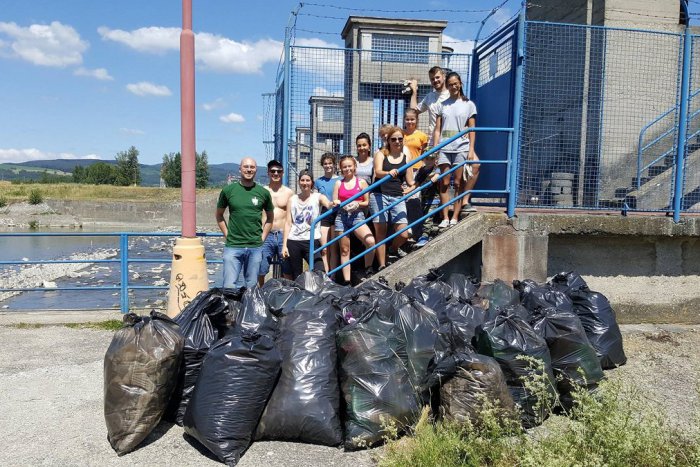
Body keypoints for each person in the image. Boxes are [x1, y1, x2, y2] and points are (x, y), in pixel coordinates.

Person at [216, 157, 274, 289]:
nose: (249, 169)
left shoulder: (263, 193)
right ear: (240, 169)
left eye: (252, 167)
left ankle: (248, 310)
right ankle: (231, 310)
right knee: (229, 286)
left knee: (252, 287)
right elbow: (219, 215)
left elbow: (270, 218)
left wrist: (262, 238)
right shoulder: (228, 191)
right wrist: (227, 235)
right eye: (246, 167)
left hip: (255, 247)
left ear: (256, 170)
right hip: (233, 246)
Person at [433, 71, 480, 228]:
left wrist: (471, 149)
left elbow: (472, 129)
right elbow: (438, 129)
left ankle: (455, 216)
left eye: (455, 83)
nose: (453, 86)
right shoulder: (443, 105)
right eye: (450, 84)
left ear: (460, 84)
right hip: (445, 147)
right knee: (444, 182)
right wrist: (436, 148)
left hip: (461, 147)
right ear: (447, 86)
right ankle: (445, 217)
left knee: (459, 182)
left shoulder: (469, 105)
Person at [372, 126, 415, 270]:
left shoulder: (406, 157)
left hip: (397, 196)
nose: (397, 141)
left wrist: (425, 179)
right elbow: (377, 172)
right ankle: (382, 265)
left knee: (403, 233)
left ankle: (393, 249)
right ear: (388, 141)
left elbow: (410, 181)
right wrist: (388, 173)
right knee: (381, 231)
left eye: (400, 139)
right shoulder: (381, 154)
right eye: (394, 139)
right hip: (379, 194)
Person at [281, 170, 336, 280]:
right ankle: (300, 295)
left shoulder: (318, 197)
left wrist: (333, 203)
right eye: (302, 180)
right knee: (297, 274)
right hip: (294, 240)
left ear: (312, 182)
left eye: (307, 180)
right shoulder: (292, 199)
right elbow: (288, 223)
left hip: (311, 240)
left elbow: (328, 204)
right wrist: (284, 245)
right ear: (299, 182)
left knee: (319, 270)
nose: (305, 183)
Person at [333, 155, 376, 285]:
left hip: (357, 216)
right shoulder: (339, 183)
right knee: (345, 250)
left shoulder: (361, 182)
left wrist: (357, 204)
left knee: (370, 241)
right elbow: (334, 201)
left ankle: (368, 267)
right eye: (344, 167)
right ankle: (347, 281)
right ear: (341, 169)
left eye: (349, 166)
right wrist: (338, 203)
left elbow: (367, 202)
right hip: (342, 216)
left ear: (354, 167)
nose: (347, 169)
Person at [258, 160, 294, 286]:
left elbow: (292, 215)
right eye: (273, 171)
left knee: (287, 268)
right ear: (268, 173)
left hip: (283, 234)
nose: (276, 173)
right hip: (266, 235)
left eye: (279, 171)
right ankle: (260, 294)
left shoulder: (289, 192)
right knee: (261, 269)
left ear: (283, 173)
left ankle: (289, 294)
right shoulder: (262, 191)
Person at [402, 109, 429, 240]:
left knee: (415, 199)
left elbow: (425, 153)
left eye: (412, 119)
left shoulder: (422, 136)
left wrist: (423, 166)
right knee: (406, 198)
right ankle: (408, 228)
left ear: (416, 120)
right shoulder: (401, 135)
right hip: (405, 170)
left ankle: (417, 230)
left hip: (417, 170)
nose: (410, 121)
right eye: (407, 119)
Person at [409, 66, 450, 146]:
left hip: (448, 138)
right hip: (432, 139)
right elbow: (413, 112)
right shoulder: (429, 97)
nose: (435, 80)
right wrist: (414, 92)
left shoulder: (451, 95)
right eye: (432, 79)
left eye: (437, 77)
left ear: (444, 76)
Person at [314, 153, 341, 273]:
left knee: (334, 248)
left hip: (337, 213)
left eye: (330, 163)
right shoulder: (318, 181)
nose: (328, 166)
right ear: (322, 165)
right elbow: (315, 199)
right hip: (324, 214)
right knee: (324, 248)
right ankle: (325, 275)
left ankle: (333, 275)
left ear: (334, 165)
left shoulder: (340, 179)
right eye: (325, 164)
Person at [412, 152, 440, 248]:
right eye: (427, 159)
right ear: (423, 160)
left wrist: (434, 178)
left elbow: (437, 176)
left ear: (435, 160)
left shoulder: (436, 169)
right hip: (423, 197)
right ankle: (424, 233)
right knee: (423, 215)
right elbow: (416, 183)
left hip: (433, 198)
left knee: (428, 216)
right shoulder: (421, 170)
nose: (429, 161)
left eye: (431, 159)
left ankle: (425, 235)